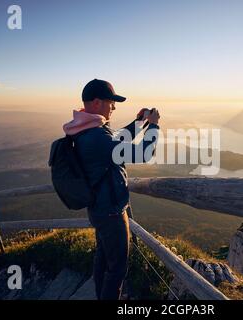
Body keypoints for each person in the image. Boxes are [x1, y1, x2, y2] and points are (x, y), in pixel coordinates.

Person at [62, 79, 160, 300]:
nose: (114, 107)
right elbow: (144, 153)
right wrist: (153, 125)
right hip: (111, 212)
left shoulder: (84, 129)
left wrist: (138, 122)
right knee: (117, 269)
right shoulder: (96, 136)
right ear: (97, 103)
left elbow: (114, 140)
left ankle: (100, 295)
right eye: (111, 102)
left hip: (98, 207)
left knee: (103, 259)